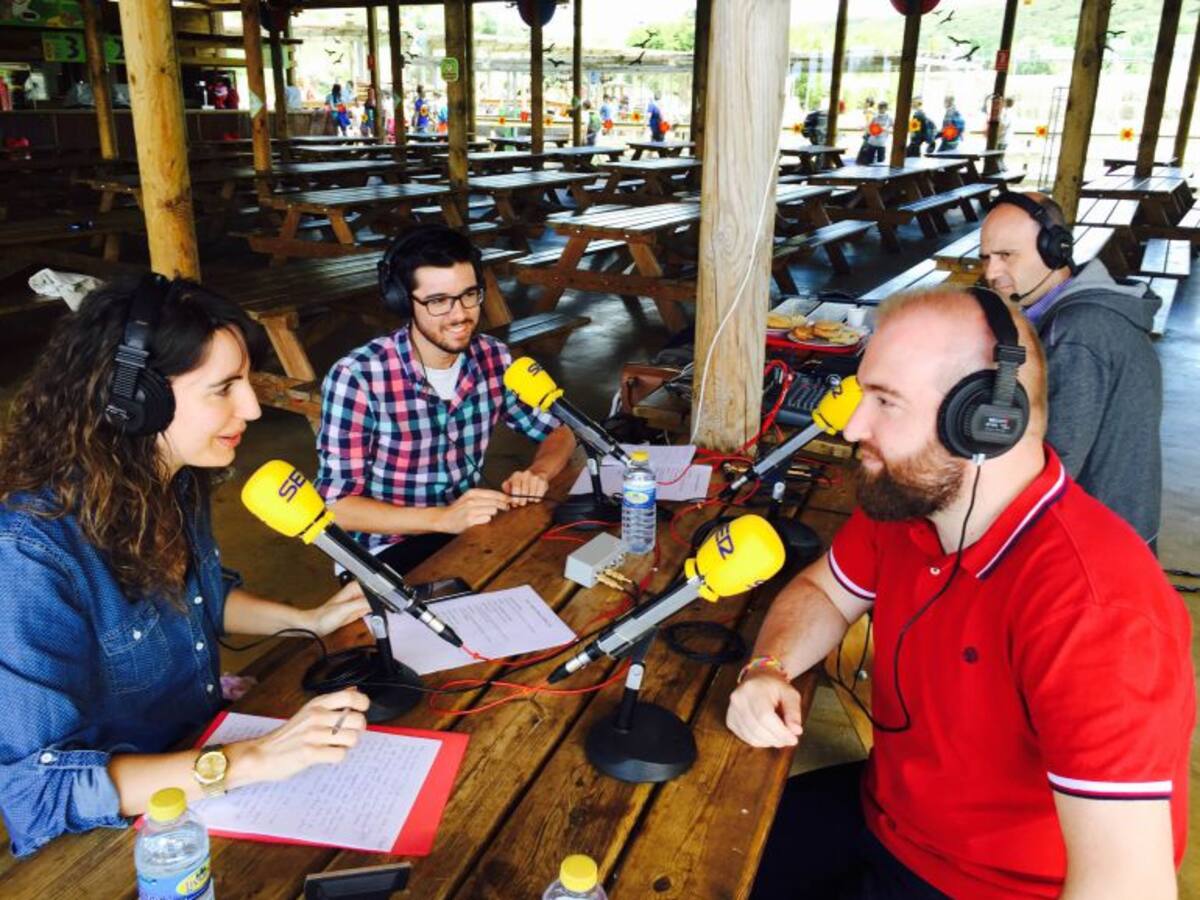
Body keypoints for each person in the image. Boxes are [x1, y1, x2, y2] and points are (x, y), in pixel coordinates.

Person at [728, 287, 1192, 899]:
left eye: (885, 402)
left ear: (986, 421)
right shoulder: (910, 501)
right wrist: (767, 667)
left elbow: (1126, 886)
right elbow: (824, 591)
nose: (853, 425)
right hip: (886, 818)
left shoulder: (1098, 610)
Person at [0, 277, 374, 858]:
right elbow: (37, 792)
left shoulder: (173, 481)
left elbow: (201, 597)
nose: (252, 408)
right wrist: (249, 759)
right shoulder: (29, 552)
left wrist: (308, 620)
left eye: (246, 381)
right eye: (223, 388)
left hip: (205, 769)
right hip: (111, 842)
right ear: (135, 400)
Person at [316, 226, 577, 575]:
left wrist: (538, 473)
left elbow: (562, 429)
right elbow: (334, 507)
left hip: (464, 532)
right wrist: (442, 518)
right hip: (383, 550)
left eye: (469, 295)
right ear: (401, 301)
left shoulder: (493, 358)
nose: (459, 315)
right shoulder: (358, 377)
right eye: (438, 301)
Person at [979, 191, 1163, 544]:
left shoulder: (1078, 332)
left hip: (1101, 542)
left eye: (1006, 256)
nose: (991, 272)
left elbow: (1054, 463)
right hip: (1109, 525)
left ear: (1055, 250)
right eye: (986, 257)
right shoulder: (1069, 313)